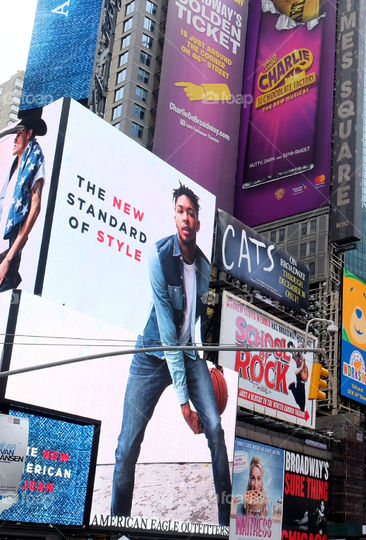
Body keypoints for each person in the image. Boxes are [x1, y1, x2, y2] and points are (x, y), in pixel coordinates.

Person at [111, 184, 231, 525]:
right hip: (153, 354)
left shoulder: (206, 268)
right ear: (174, 216)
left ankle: (225, 525)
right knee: (127, 445)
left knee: (216, 430)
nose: (186, 217)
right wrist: (183, 403)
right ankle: (119, 526)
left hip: (190, 355)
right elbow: (168, 335)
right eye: (180, 211)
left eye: (191, 212)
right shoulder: (159, 256)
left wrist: (212, 364)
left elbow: (205, 323)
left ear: (197, 220)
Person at [0, 114, 47, 297]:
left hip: (7, 257)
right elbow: (1, 223)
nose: (14, 139)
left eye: (19, 134)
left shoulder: (35, 162)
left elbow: (35, 209)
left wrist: (8, 259)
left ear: (29, 134)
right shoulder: (12, 173)